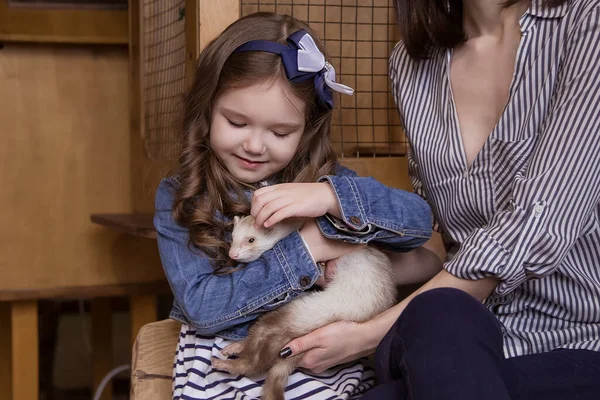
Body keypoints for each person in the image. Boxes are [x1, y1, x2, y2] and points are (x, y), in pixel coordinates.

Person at [276, 1, 600, 399]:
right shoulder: (411, 62)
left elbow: (543, 221)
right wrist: (347, 254)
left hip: (574, 340)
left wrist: (367, 336)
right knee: (440, 317)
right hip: (437, 338)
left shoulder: (587, 21)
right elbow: (434, 231)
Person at [153, 12, 433, 400]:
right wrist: (309, 248)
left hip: (327, 367)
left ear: (305, 130)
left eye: (280, 132)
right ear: (207, 110)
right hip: (224, 370)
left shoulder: (326, 182)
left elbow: (419, 223)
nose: (255, 145)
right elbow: (204, 307)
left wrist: (331, 198)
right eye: (237, 123)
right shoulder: (180, 195)